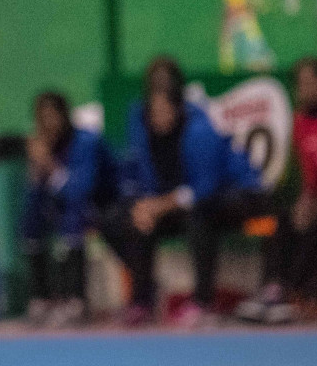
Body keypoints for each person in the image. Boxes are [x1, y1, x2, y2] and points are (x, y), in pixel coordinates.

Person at [102, 56, 269, 327]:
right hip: (174, 204)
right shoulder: (138, 122)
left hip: (231, 196)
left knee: (200, 216)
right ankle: (143, 297)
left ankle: (204, 303)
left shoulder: (199, 128)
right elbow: (136, 173)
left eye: (165, 103)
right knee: (118, 219)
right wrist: (142, 206)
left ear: (178, 103)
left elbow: (205, 188)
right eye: (153, 104)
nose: (158, 114)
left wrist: (160, 206)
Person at [235, 58, 317, 323]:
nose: (306, 90)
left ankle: (293, 293)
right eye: (300, 85)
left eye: (312, 83)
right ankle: (273, 289)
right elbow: (312, 180)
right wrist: (306, 202)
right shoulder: (300, 121)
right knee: (287, 220)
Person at [21, 91, 118, 327]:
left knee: (72, 218)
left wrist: (49, 167)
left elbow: (81, 190)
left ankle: (75, 300)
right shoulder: (42, 144)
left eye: (53, 117)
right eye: (42, 119)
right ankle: (42, 298)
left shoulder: (86, 142)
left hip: (105, 203)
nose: (48, 124)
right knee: (31, 220)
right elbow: (39, 194)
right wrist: (36, 174)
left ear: (65, 117)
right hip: (67, 203)